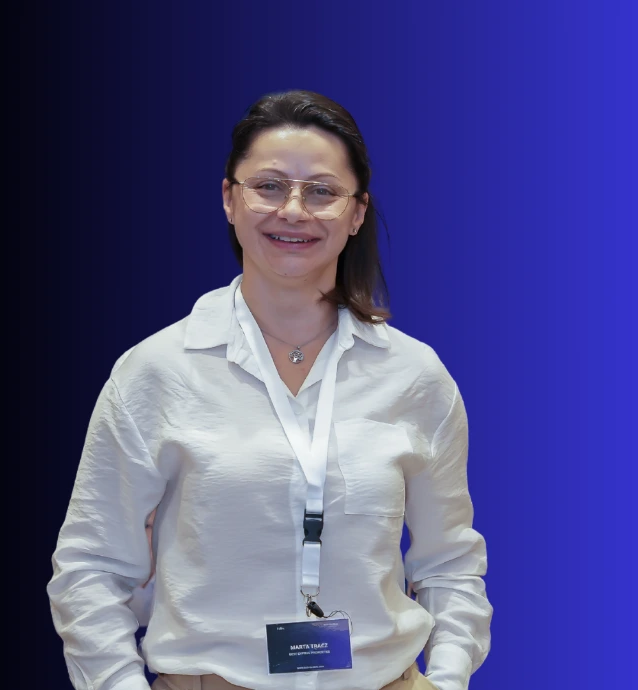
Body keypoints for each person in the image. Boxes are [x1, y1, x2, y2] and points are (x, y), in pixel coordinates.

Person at [47, 89, 492, 690]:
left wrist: (448, 678)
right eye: (269, 186)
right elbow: (91, 566)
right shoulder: (156, 372)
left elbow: (450, 562)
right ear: (229, 199)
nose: (294, 210)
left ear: (357, 213)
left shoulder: (414, 375)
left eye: (322, 192)